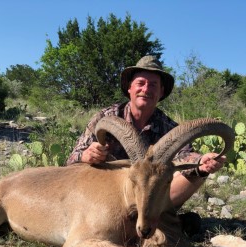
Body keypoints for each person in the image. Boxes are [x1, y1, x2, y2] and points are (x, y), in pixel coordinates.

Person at [66, 55, 226, 213]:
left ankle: (151, 215)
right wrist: (86, 156)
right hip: (105, 194)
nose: (146, 89)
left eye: (153, 85)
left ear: (161, 91)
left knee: (196, 174)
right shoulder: (105, 118)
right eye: (140, 83)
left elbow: (184, 155)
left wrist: (201, 161)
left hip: (145, 195)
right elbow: (71, 161)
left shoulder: (169, 127)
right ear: (130, 88)